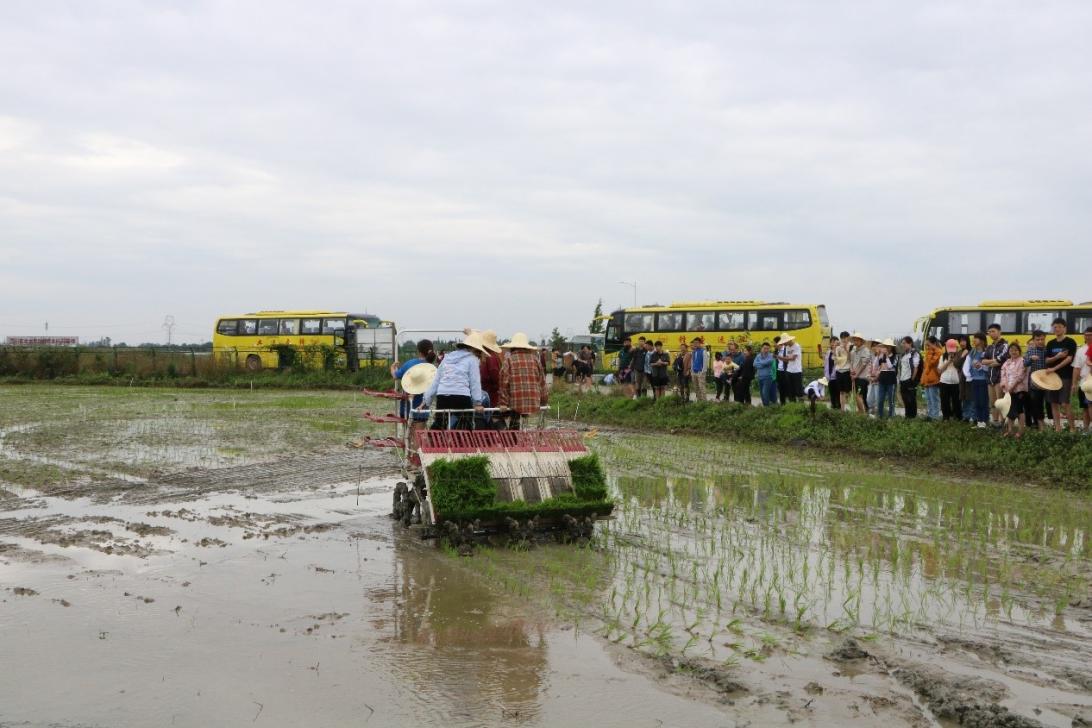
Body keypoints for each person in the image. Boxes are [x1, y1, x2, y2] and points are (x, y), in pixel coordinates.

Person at [420, 331, 485, 429]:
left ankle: (433, 437)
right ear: (473, 349)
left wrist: (426, 401)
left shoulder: (447, 358)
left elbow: (436, 381)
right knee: (465, 425)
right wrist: (478, 403)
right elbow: (474, 382)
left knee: (440, 424)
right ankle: (461, 437)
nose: (478, 354)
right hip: (461, 396)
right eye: (478, 351)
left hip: (443, 395)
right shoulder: (472, 359)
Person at [498, 333, 548, 430]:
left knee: (501, 416)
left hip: (515, 402)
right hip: (534, 402)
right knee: (522, 419)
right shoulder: (535, 360)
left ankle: (512, 436)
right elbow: (542, 383)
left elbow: (503, 384)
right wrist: (544, 401)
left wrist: (503, 403)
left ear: (512, 348)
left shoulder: (508, 361)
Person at [391, 338, 437, 423]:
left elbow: (395, 376)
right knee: (418, 431)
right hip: (422, 410)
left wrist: (392, 368)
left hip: (405, 408)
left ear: (419, 351)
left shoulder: (410, 363)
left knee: (407, 431)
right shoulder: (432, 368)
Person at [1044, 318, 1077, 432]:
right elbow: (1047, 360)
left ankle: (1072, 428)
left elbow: (1069, 359)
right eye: (1055, 327)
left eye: (1059, 326)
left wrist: (1054, 368)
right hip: (1052, 377)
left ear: (1064, 328)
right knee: (1053, 403)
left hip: (1065, 376)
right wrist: (1057, 357)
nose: (1057, 329)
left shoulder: (1070, 342)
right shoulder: (1050, 343)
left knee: (1065, 403)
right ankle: (1058, 428)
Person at [998, 342, 1028, 439]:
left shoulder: (1022, 361)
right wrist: (1005, 385)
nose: (1013, 352)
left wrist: (1011, 387)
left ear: (1019, 351)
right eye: (1011, 350)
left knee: (1019, 410)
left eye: (1016, 350)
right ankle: (1010, 430)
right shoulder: (1007, 362)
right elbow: (1003, 374)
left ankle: (1020, 431)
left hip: (1019, 390)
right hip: (1008, 390)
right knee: (1009, 410)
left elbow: (1020, 376)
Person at [981, 323, 1008, 426]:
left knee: (1000, 402)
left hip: (1000, 377)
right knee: (992, 402)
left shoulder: (1005, 345)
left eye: (993, 331)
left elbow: (1001, 359)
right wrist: (993, 361)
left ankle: (1003, 423)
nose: (991, 334)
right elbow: (983, 361)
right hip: (990, 377)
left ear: (999, 332)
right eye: (989, 332)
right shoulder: (989, 347)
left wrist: (991, 362)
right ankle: (995, 422)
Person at [1024, 330, 1047, 431]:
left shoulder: (1047, 350)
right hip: (1035, 383)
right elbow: (1025, 364)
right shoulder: (1030, 351)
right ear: (1033, 340)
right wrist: (1031, 359)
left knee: (1050, 404)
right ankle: (1039, 425)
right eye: (1038, 340)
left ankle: (1053, 425)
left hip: (1048, 382)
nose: (1040, 341)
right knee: (1036, 404)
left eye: (1042, 339)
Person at [1071, 325, 1092, 431]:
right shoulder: (1080, 350)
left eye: (1090, 335)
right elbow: (1076, 368)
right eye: (1086, 335)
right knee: (1085, 407)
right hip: (1083, 383)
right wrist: (1074, 384)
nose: (1088, 337)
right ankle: (1086, 430)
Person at [896, 336, 923, 419]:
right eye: (902, 343)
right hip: (903, 379)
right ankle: (907, 416)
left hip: (910, 380)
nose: (902, 345)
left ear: (910, 343)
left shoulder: (915, 353)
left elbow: (916, 367)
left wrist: (912, 380)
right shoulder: (904, 354)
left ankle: (912, 416)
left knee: (911, 399)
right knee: (905, 399)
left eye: (904, 343)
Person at [968, 333, 990, 427]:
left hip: (984, 380)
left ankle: (984, 421)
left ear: (982, 341)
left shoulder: (987, 351)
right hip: (974, 380)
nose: (973, 340)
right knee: (976, 402)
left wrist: (981, 366)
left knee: (983, 402)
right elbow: (969, 365)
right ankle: (979, 421)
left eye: (975, 339)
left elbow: (990, 366)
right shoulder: (972, 352)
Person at [937, 339, 961, 421]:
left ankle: (957, 416)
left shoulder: (959, 357)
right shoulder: (942, 357)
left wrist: (954, 361)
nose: (951, 352)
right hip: (944, 381)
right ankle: (946, 417)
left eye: (953, 350)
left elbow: (960, 369)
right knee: (944, 401)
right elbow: (940, 370)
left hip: (956, 382)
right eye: (950, 350)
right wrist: (948, 362)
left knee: (956, 401)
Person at [776, 333, 803, 403]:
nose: (783, 344)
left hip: (797, 371)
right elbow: (787, 359)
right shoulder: (787, 347)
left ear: (788, 340)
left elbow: (793, 358)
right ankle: (792, 405)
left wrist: (781, 357)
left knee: (798, 391)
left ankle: (801, 405)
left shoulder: (797, 346)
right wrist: (780, 358)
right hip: (789, 370)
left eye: (784, 342)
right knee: (790, 391)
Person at [849, 332, 871, 415]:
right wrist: (851, 371)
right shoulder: (853, 350)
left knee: (859, 395)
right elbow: (851, 362)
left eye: (857, 340)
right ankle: (862, 412)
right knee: (858, 395)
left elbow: (864, 364)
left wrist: (856, 375)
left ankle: (863, 413)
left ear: (861, 341)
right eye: (854, 340)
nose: (856, 342)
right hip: (855, 376)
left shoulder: (865, 350)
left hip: (863, 377)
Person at [875, 339, 897, 418]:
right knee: (880, 399)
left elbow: (891, 366)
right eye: (885, 346)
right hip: (882, 380)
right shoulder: (881, 356)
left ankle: (891, 416)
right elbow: (876, 366)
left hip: (891, 381)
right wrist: (878, 355)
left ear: (891, 347)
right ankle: (880, 416)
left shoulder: (895, 356)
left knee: (891, 400)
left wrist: (887, 356)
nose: (886, 348)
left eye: (888, 346)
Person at [921, 336, 942, 421]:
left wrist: (931, 351)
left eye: (928, 345)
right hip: (927, 378)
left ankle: (935, 417)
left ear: (934, 343)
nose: (927, 347)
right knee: (929, 399)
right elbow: (925, 366)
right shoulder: (928, 352)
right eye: (926, 345)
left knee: (934, 399)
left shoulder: (938, 352)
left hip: (934, 379)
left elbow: (932, 363)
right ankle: (930, 415)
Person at [823, 336, 842, 411]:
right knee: (832, 393)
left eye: (835, 342)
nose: (833, 344)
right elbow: (826, 364)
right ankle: (833, 407)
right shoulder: (828, 352)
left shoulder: (840, 352)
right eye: (832, 342)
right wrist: (825, 373)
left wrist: (835, 351)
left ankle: (839, 407)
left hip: (837, 375)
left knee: (838, 393)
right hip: (829, 376)